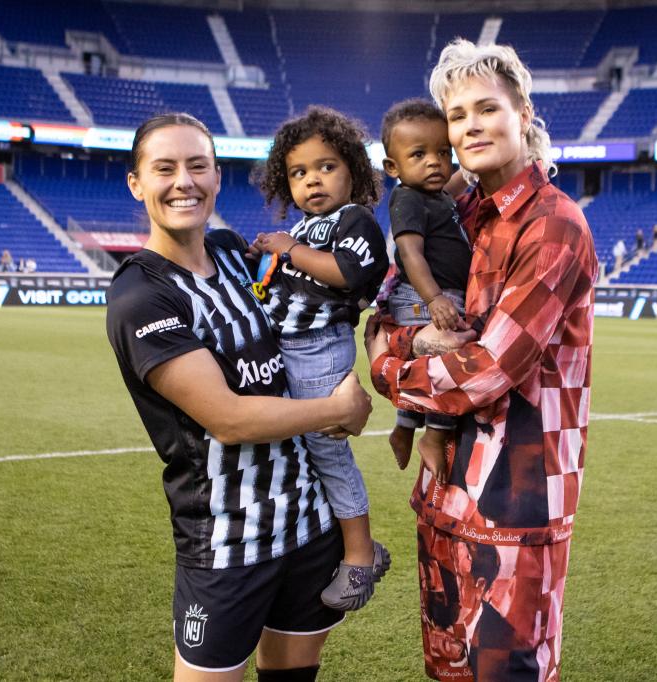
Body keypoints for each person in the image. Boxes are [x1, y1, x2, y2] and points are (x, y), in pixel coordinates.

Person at [106, 113, 373, 682]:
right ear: (136, 183)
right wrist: (339, 409)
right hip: (228, 543)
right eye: (165, 169)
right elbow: (227, 419)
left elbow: (324, 300)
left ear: (217, 176)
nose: (184, 182)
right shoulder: (141, 296)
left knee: (294, 672)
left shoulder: (233, 252)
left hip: (308, 524)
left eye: (197, 166)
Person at [366, 39, 598, 681]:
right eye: (457, 115)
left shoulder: (554, 225)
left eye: (487, 108)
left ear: (522, 112)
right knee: (446, 672)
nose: (471, 125)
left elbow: (488, 369)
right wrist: (402, 340)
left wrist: (389, 367)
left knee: (506, 675)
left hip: (514, 509)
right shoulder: (457, 213)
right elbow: (385, 314)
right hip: (445, 495)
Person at [252, 105, 391, 612]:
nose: (312, 180)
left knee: (328, 450)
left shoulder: (355, 220)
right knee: (297, 449)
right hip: (282, 349)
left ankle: (361, 555)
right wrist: (263, 261)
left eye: (326, 167)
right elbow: (278, 283)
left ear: (353, 169)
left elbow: (347, 273)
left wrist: (288, 250)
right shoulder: (304, 228)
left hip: (319, 349)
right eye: (298, 172)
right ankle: (317, 540)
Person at [378, 98, 471, 474]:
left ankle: (403, 428)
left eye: (443, 152)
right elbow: (411, 253)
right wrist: (434, 299)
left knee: (425, 364)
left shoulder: (437, 194)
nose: (434, 161)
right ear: (393, 167)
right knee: (447, 362)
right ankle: (434, 435)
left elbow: (459, 179)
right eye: (419, 154)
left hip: (438, 295)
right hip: (424, 296)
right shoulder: (408, 198)